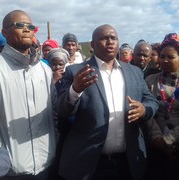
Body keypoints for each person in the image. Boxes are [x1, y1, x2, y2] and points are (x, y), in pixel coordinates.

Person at [57, 24, 158, 180]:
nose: (110, 42)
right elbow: (62, 110)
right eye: (104, 38)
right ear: (92, 45)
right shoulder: (76, 71)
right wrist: (75, 90)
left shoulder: (135, 72)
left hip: (129, 162)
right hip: (91, 164)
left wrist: (144, 109)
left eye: (113, 38)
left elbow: (152, 101)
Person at [0, 10, 57, 179]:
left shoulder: (44, 70)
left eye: (30, 26)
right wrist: (2, 151)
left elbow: (53, 112)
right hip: (11, 171)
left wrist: (54, 142)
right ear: (5, 33)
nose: (26, 29)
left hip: (47, 165)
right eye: (19, 25)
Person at [144, 33, 179, 180]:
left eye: (170, 57)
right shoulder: (150, 81)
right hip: (154, 145)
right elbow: (147, 112)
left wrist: (168, 140)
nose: (164, 60)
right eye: (162, 56)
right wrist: (158, 139)